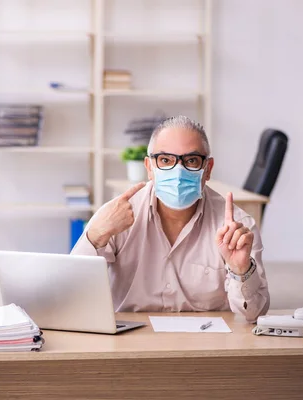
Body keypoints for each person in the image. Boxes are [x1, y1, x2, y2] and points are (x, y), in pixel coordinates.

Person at [71, 115, 270, 323]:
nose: (178, 171)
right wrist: (95, 236)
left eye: (191, 161)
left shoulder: (236, 227)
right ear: (149, 167)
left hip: (206, 343)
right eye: (166, 160)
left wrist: (241, 270)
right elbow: (72, 293)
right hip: (129, 341)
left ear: (208, 169)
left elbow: (254, 314)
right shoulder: (116, 216)